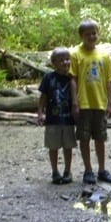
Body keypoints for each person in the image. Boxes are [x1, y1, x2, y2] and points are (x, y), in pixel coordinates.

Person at [70, 19, 111, 185]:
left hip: (100, 103)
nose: (91, 36)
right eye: (88, 34)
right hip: (84, 103)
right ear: (81, 36)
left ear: (98, 34)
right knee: (84, 138)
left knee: (100, 137)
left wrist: (110, 103)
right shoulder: (75, 54)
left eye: (94, 33)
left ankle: (102, 169)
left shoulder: (104, 56)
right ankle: (88, 169)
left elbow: (109, 81)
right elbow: (73, 79)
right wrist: (74, 102)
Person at [38, 47, 76, 184]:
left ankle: (67, 170)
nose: (65, 62)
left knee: (68, 146)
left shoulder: (72, 78)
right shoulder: (49, 78)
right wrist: (40, 113)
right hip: (52, 119)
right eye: (61, 60)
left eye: (67, 59)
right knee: (53, 147)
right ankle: (55, 171)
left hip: (68, 119)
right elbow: (43, 97)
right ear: (54, 63)